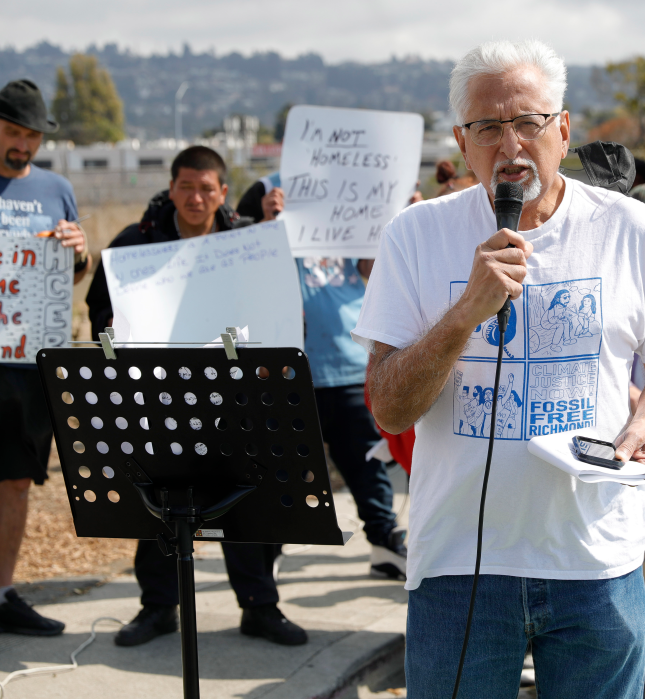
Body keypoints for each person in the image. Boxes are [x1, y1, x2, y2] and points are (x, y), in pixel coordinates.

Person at [354, 40, 645, 698]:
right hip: (460, 565)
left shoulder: (632, 230)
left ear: (563, 129)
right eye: (488, 127)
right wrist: (466, 312)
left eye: (529, 122)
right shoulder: (415, 235)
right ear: (462, 142)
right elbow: (389, 408)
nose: (510, 145)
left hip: (595, 558)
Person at [85, 147, 308, 647]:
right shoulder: (134, 244)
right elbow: (99, 309)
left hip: (236, 401)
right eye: (186, 187)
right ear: (171, 188)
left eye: (206, 188)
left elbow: (281, 310)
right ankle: (158, 607)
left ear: (223, 192)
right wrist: (111, 325)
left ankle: (259, 606)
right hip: (158, 400)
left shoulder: (249, 243)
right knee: (160, 503)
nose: (195, 197)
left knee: (245, 502)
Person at [236, 172, 408, 579]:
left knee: (366, 464)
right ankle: (271, 548)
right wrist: (266, 225)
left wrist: (386, 219)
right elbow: (244, 267)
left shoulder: (349, 185)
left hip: (349, 359)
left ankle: (383, 542)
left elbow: (373, 269)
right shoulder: (266, 190)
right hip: (287, 369)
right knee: (281, 467)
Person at [0, 79, 90, 637]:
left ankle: (3, 594)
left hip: (26, 364)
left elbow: (72, 275)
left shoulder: (57, 188)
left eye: (32, 136)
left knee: (15, 482)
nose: (23, 145)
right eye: (13, 132)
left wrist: (79, 253)